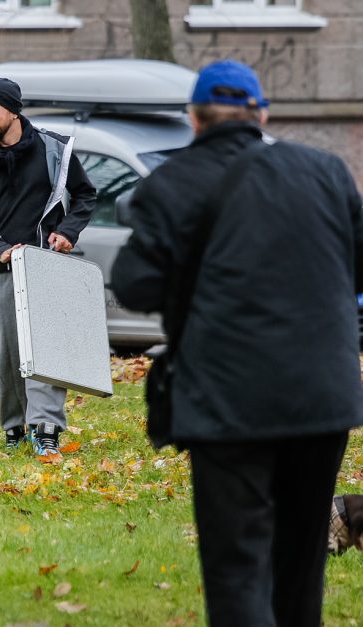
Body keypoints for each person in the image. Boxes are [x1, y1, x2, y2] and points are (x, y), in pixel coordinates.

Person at [111, 60, 363, 626]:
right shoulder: (325, 172)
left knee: (236, 569)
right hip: (320, 400)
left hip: (227, 403)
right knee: (301, 568)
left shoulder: (170, 184)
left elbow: (133, 283)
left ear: (193, 120)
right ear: (261, 114)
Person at [0, 78, 97, 457]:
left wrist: (67, 232)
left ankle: (46, 429)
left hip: (46, 264)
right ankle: (15, 428)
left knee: (47, 352)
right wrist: (0, 250)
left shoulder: (54, 149)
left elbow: (85, 194)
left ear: (13, 111)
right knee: (7, 357)